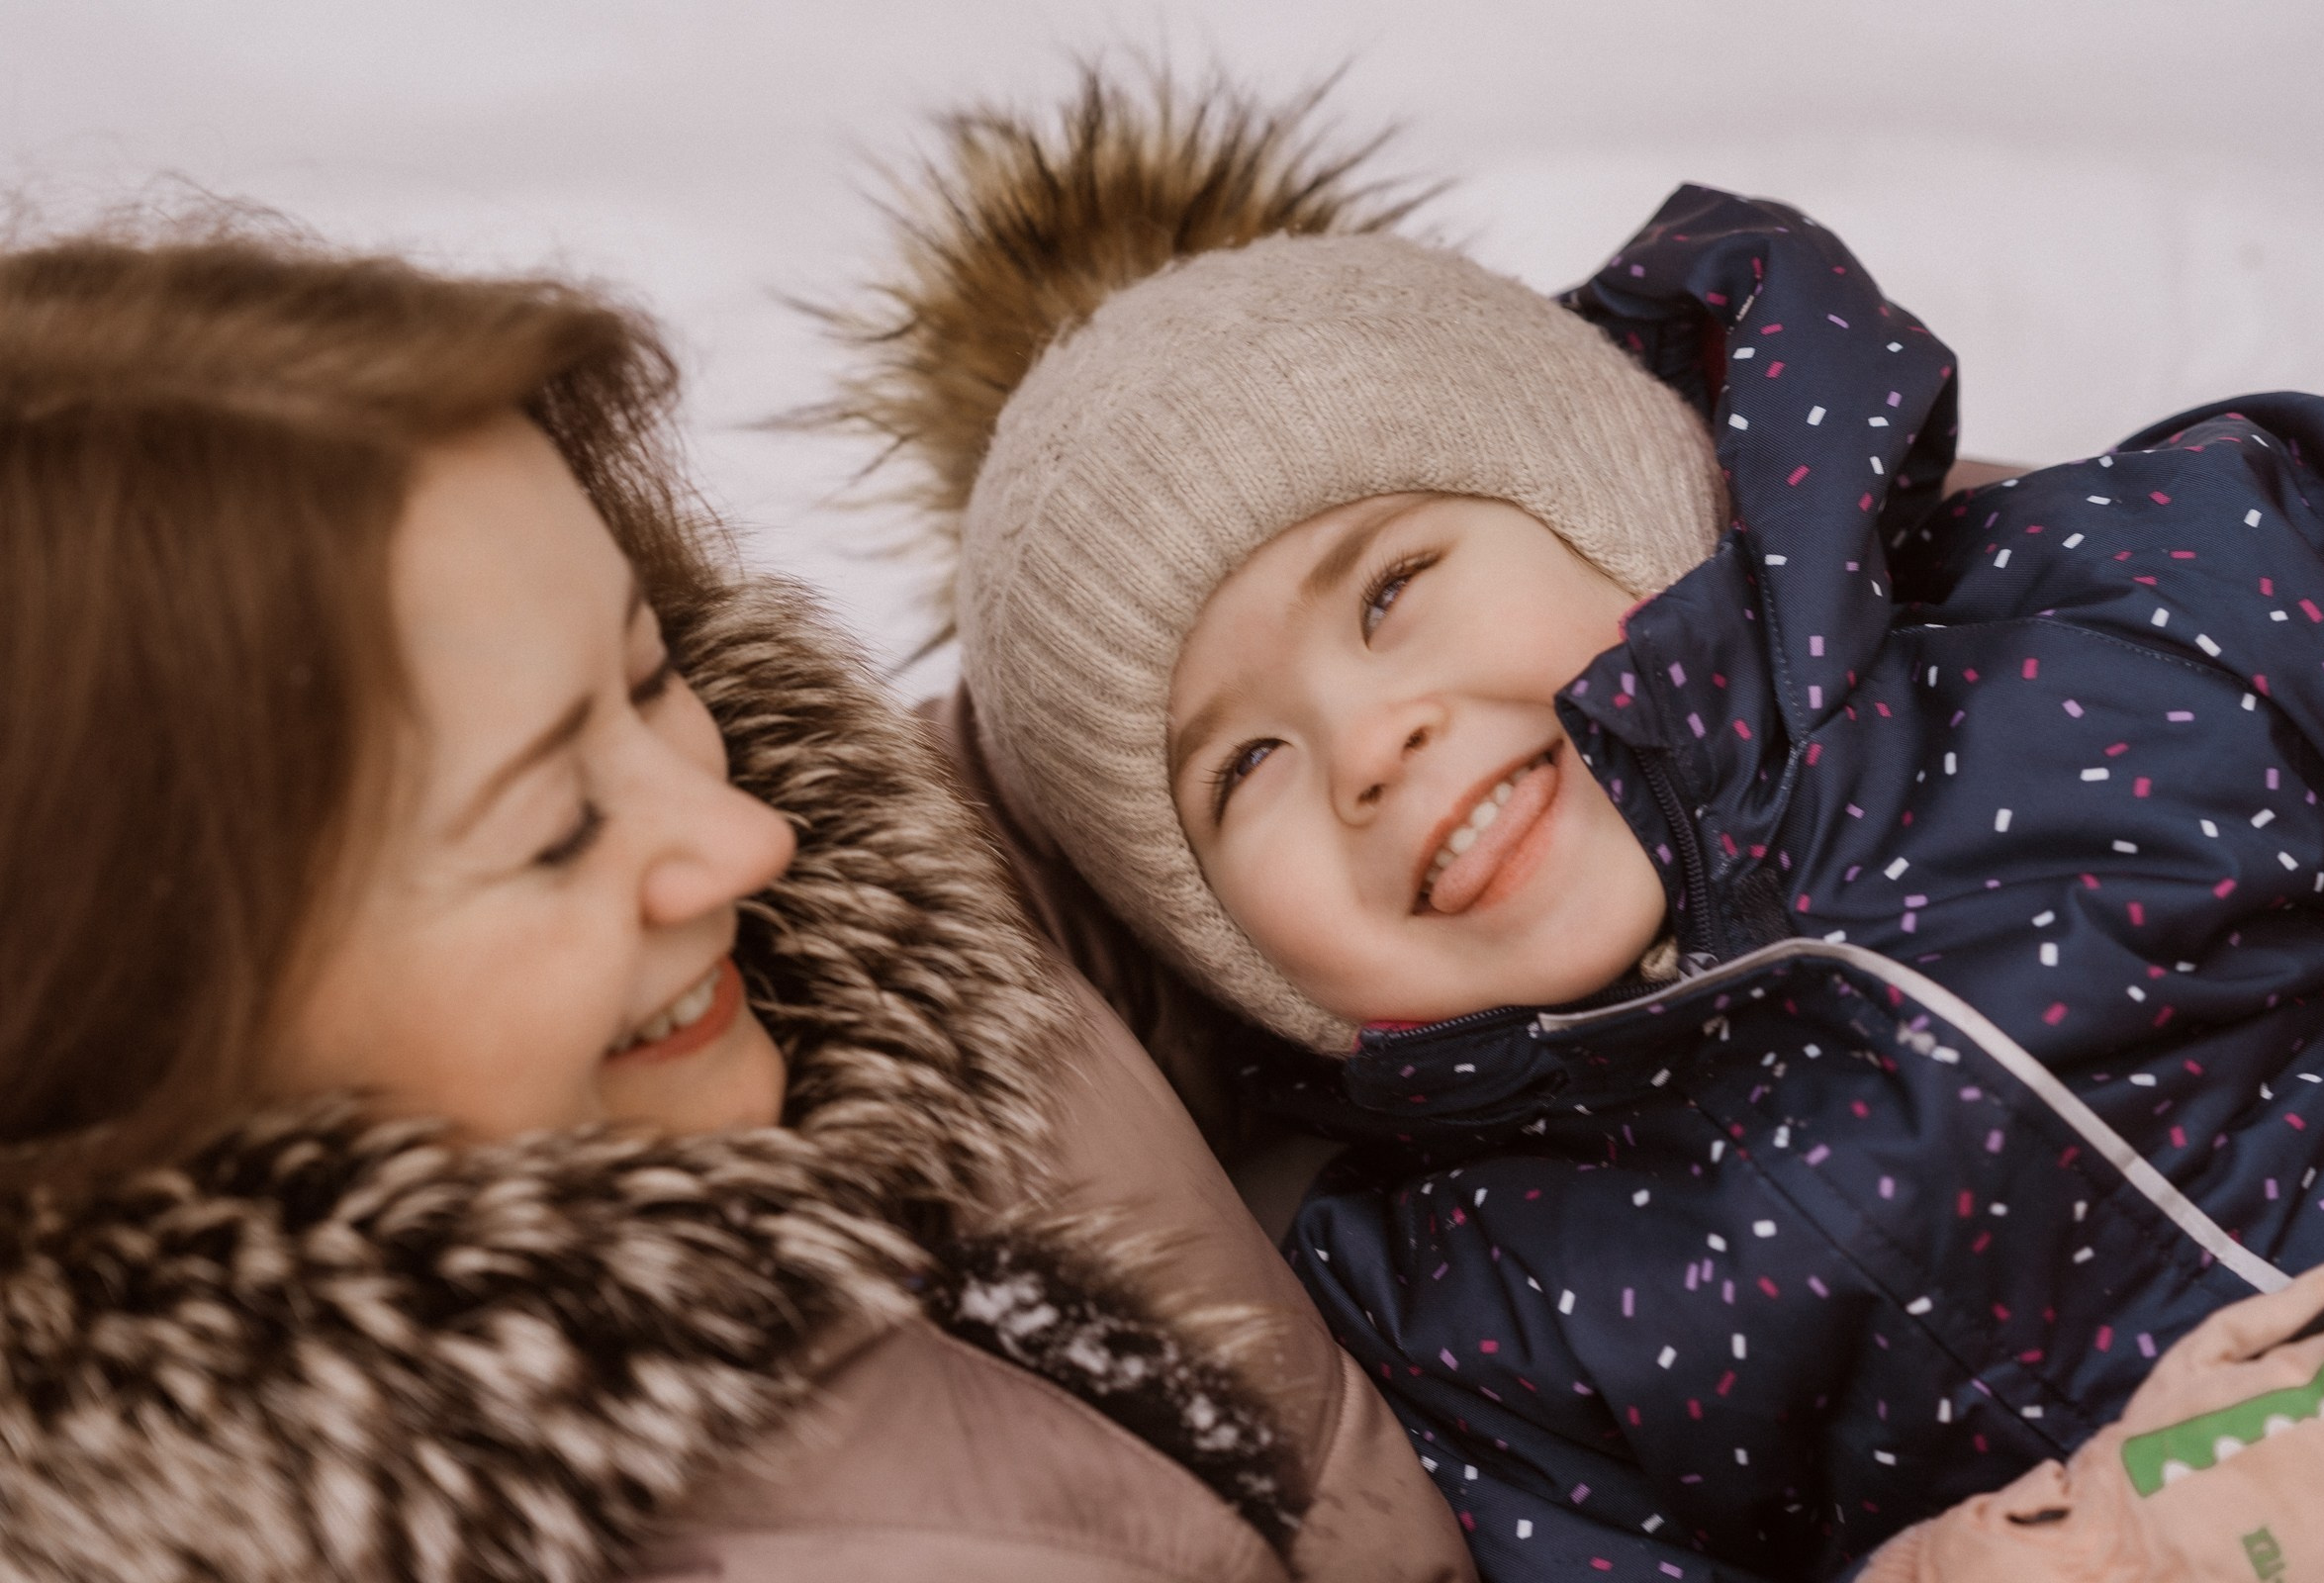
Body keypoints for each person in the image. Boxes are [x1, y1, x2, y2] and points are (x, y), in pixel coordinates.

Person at [822, 73, 2324, 1580]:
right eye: (1241, 772)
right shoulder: (1457, 1310)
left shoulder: (2111, 616)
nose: (1371, 747)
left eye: (1388, 590)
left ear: (1622, 489)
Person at [0, 214, 1476, 1582]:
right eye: (557, 829)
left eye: (649, 680)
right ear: (145, 1015)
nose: (739, 842)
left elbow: (1112, 748)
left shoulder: (869, 910)